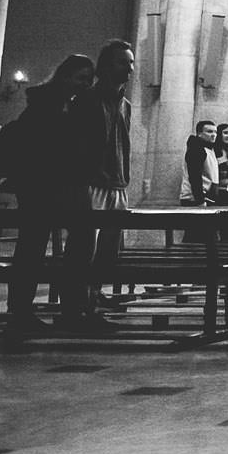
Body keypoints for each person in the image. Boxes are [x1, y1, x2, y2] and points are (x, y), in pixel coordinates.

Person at [0, 53, 92, 336]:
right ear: (65, 75)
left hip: (48, 184)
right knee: (31, 248)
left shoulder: (60, 102)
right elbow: (45, 147)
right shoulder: (47, 104)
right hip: (39, 185)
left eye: (88, 80)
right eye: (80, 78)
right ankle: (21, 312)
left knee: (33, 247)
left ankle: (29, 310)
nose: (84, 85)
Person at [62, 40, 135, 331]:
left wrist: (124, 178)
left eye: (131, 63)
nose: (129, 68)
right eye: (122, 62)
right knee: (82, 250)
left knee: (107, 252)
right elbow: (75, 146)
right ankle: (73, 309)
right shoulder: (88, 100)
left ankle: (92, 301)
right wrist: (79, 184)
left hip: (117, 184)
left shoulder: (126, 105)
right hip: (91, 183)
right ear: (106, 66)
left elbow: (123, 145)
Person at [181, 120, 219, 207]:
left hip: (205, 198)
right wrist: (200, 200)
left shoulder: (209, 148)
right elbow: (194, 176)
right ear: (199, 134)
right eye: (209, 131)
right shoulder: (196, 148)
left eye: (215, 132)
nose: (214, 135)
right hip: (195, 199)